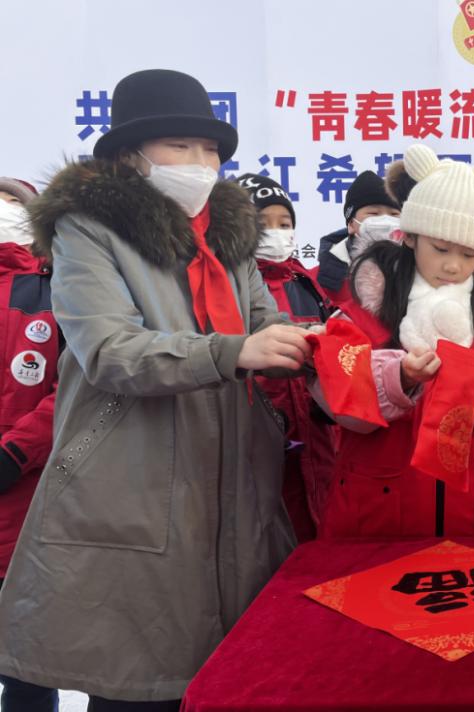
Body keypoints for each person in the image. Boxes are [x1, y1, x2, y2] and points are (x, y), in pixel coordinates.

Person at [0, 69, 317, 710]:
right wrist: (234, 352)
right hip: (134, 479)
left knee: (226, 678)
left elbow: (265, 323)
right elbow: (109, 349)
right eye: (180, 146)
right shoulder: (87, 231)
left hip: (235, 481)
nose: (201, 163)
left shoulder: (228, 238)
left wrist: (324, 347)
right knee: (138, 680)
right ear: (130, 156)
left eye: (211, 150)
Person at [321, 144, 474, 538]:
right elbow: (335, 399)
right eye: (441, 248)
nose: (453, 265)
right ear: (410, 236)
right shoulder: (358, 316)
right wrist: (399, 378)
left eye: (469, 254)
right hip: (380, 516)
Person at [237, 173, 335, 541]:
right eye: (263, 223)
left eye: (284, 223)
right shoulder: (234, 286)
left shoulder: (309, 284)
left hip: (318, 436)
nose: (276, 233)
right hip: (260, 440)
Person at [0, 178, 59, 711]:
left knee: (27, 671)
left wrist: (17, 451)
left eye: (11, 202)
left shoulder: (61, 285)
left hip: (30, 501)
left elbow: (77, 385)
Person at [316, 169, 401, 307]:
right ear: (351, 224)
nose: (385, 220)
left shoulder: (420, 272)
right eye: (374, 213)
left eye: (394, 214)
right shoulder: (320, 280)